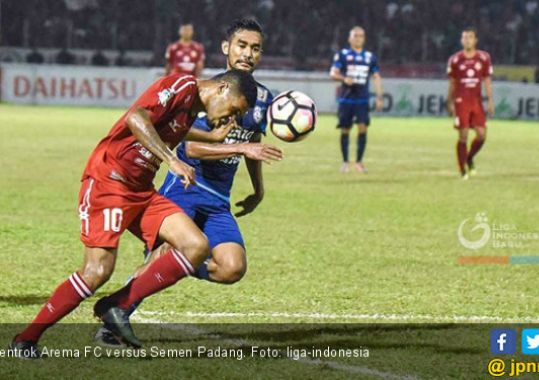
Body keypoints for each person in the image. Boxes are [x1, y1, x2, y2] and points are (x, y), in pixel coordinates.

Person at [10, 69, 258, 356]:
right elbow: (137, 117)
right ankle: (25, 339)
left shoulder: (192, 110)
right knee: (97, 271)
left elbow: (175, 127)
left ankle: (116, 304)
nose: (232, 118)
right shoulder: (182, 85)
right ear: (222, 88)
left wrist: (211, 137)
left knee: (196, 245)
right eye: (234, 109)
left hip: (141, 190)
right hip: (109, 181)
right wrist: (171, 160)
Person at [93, 18, 283, 347]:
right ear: (226, 48)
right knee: (165, 251)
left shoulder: (261, 98)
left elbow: (253, 144)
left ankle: (178, 261)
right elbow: (189, 146)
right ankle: (114, 319)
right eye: (242, 45)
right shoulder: (204, 91)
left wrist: (258, 189)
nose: (248, 53)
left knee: (232, 268)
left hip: (219, 201)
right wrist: (237, 145)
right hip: (185, 188)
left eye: (255, 48)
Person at [330, 26, 383, 173]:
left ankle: (359, 162)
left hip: (362, 100)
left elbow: (376, 77)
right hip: (346, 99)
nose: (358, 38)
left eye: (361, 36)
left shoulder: (370, 57)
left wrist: (379, 97)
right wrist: (344, 78)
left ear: (364, 39)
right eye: (355, 35)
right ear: (349, 38)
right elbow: (333, 73)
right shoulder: (343, 55)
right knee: (345, 130)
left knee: (362, 128)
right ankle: (345, 162)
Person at [447, 27, 494, 179]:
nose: (467, 40)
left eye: (470, 37)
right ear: (461, 40)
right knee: (464, 135)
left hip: (477, 101)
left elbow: (487, 80)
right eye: (465, 37)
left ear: (475, 40)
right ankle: (463, 171)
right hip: (461, 101)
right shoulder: (455, 59)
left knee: (481, 134)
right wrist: (449, 101)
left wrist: (490, 100)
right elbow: (452, 82)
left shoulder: (484, 58)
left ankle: (469, 157)